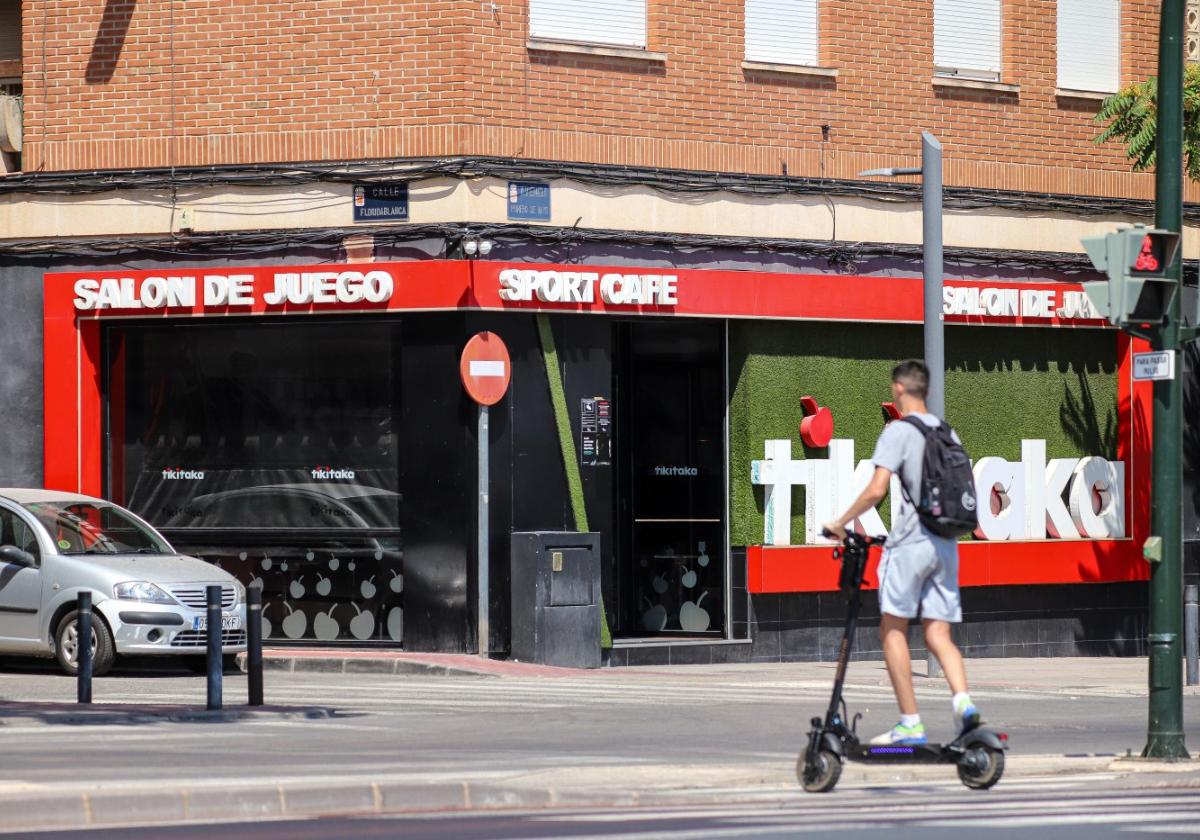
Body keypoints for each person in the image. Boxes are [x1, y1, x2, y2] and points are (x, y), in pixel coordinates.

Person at [822, 360, 980, 745]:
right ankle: (965, 707)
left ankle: (910, 722)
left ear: (898, 389)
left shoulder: (898, 431)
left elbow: (877, 489)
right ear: (924, 390)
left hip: (910, 543)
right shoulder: (947, 431)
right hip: (946, 544)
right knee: (939, 634)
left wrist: (840, 522)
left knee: (891, 628)